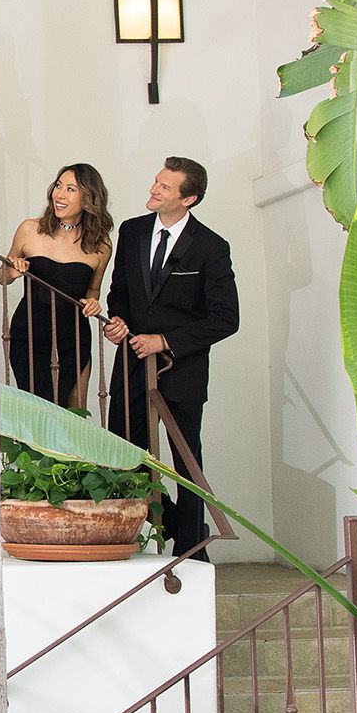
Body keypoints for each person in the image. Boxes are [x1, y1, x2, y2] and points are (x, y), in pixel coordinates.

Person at [104, 157, 239, 562]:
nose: (154, 190)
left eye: (164, 187)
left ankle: (192, 549)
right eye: (156, 182)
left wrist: (164, 340)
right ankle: (154, 534)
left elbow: (225, 319)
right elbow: (120, 293)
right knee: (128, 453)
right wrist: (119, 322)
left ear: (189, 198)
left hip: (182, 370)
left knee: (185, 459)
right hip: (130, 364)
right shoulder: (131, 231)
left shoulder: (212, 247)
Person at [0, 164, 114, 406]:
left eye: (70, 189)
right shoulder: (30, 229)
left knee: (73, 413)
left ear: (89, 198)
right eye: (58, 185)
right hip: (29, 333)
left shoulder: (101, 244)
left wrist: (94, 303)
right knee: (36, 409)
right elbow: (2, 276)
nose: (59, 194)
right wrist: (12, 270)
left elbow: (93, 291)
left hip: (73, 336)